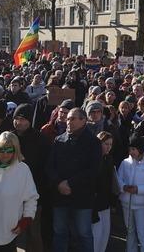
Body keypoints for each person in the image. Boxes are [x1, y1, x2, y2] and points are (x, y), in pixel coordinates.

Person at [48, 108, 102, 252]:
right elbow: (50, 167)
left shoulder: (93, 143)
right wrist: (59, 183)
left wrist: (70, 183)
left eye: (72, 118)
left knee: (84, 234)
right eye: (68, 119)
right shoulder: (59, 140)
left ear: (83, 120)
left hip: (82, 197)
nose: (68, 121)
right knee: (59, 232)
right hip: (60, 196)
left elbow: (93, 170)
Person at [12, 103, 49, 252]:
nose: (18, 122)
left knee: (33, 233)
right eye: (16, 118)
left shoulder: (41, 140)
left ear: (29, 121)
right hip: (11, 194)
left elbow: (45, 168)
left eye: (23, 119)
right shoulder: (9, 137)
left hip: (33, 194)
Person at [117, 135, 144, 252]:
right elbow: (118, 179)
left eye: (134, 149)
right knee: (129, 231)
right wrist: (123, 187)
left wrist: (137, 189)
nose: (131, 152)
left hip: (140, 205)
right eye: (130, 149)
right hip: (126, 203)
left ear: (140, 149)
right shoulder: (125, 163)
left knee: (142, 232)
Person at [92, 131, 119, 252]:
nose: (108, 147)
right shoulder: (92, 160)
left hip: (106, 202)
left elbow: (110, 183)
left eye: (110, 144)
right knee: (95, 235)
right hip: (94, 204)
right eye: (106, 143)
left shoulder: (109, 159)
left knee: (105, 234)